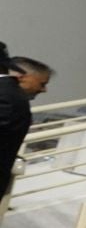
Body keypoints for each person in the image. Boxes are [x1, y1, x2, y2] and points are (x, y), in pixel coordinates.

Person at [0, 56, 52, 206]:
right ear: (22, 77)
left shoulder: (9, 98)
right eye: (42, 84)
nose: (43, 89)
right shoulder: (9, 95)